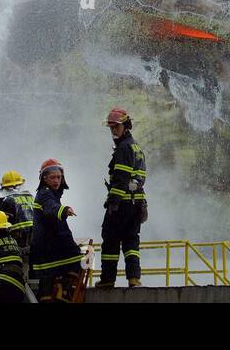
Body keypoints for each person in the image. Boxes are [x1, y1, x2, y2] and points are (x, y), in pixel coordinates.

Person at [97, 107, 147, 287]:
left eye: (115, 127)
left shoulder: (124, 148)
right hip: (136, 203)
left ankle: (107, 279)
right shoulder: (135, 146)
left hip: (122, 205)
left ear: (125, 126)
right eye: (111, 128)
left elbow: (121, 178)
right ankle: (134, 278)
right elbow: (141, 177)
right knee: (131, 240)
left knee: (110, 239)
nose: (113, 130)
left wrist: (113, 203)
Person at [31, 158, 85, 302]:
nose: (56, 180)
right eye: (53, 177)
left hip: (49, 247)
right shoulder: (45, 194)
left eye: (59, 177)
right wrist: (64, 210)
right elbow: (50, 208)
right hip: (51, 247)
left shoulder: (51, 193)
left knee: (47, 283)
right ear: (44, 178)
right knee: (77, 261)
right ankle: (65, 290)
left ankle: (59, 288)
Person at [0, 169, 36, 253]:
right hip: (35, 234)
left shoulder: (8, 200)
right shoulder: (31, 197)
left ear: (4, 186)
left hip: (17, 238)